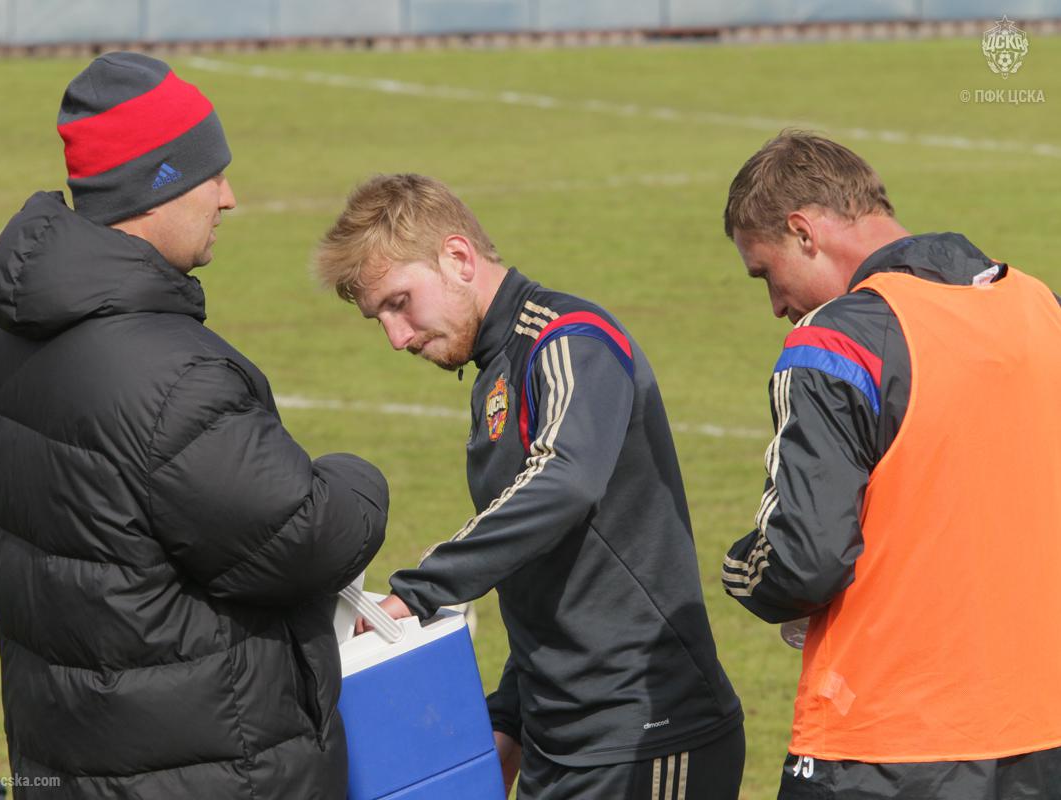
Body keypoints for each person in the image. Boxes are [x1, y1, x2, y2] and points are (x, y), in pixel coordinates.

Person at [0, 52, 388, 799]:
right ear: (155, 185)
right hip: (207, 771)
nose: (229, 198)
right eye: (209, 175)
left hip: (67, 761)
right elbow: (304, 537)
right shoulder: (173, 378)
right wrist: (357, 478)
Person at [316, 174, 744, 800]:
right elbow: (547, 568)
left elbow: (565, 481)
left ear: (458, 258)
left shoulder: (567, 339)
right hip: (559, 740)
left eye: (399, 302)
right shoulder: (496, 373)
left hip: (648, 734)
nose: (396, 336)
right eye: (378, 316)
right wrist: (511, 720)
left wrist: (423, 588)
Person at [721, 131, 1061, 800]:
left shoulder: (836, 341)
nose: (777, 305)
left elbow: (805, 559)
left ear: (803, 233)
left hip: (887, 746)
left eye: (766, 274)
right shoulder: (1039, 306)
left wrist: (743, 569)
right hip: (1040, 729)